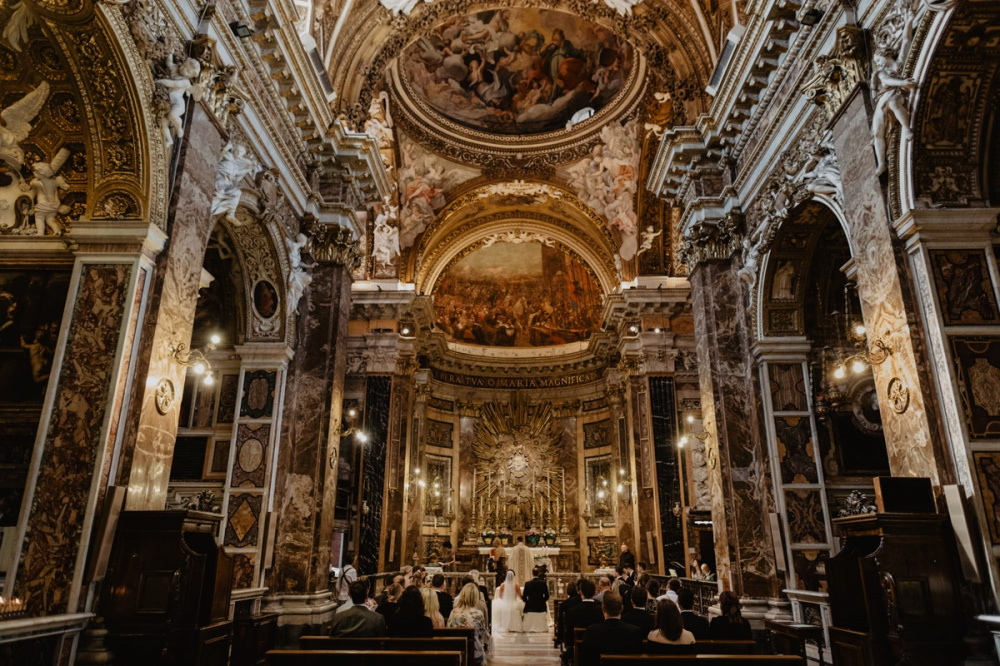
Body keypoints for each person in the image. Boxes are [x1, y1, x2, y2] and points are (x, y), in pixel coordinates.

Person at [577, 592, 644, 666]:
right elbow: (639, 660)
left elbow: (583, 660)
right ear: (621, 608)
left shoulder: (592, 631)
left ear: (603, 608)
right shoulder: (635, 632)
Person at [449, 583, 490, 666]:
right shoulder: (478, 614)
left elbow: (449, 630)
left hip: (458, 650)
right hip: (475, 653)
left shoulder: (454, 612)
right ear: (475, 597)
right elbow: (482, 634)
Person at [564, 579, 604, 657]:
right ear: (594, 592)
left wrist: (569, 647)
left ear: (581, 592)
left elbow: (569, 632)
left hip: (578, 648)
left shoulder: (572, 611)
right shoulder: (601, 609)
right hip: (597, 648)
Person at [522, 565, 549, 632]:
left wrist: (528, 602)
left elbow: (524, 597)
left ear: (532, 573)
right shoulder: (543, 583)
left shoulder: (527, 584)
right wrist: (542, 601)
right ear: (539, 573)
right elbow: (547, 596)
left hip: (530, 607)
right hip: (541, 607)